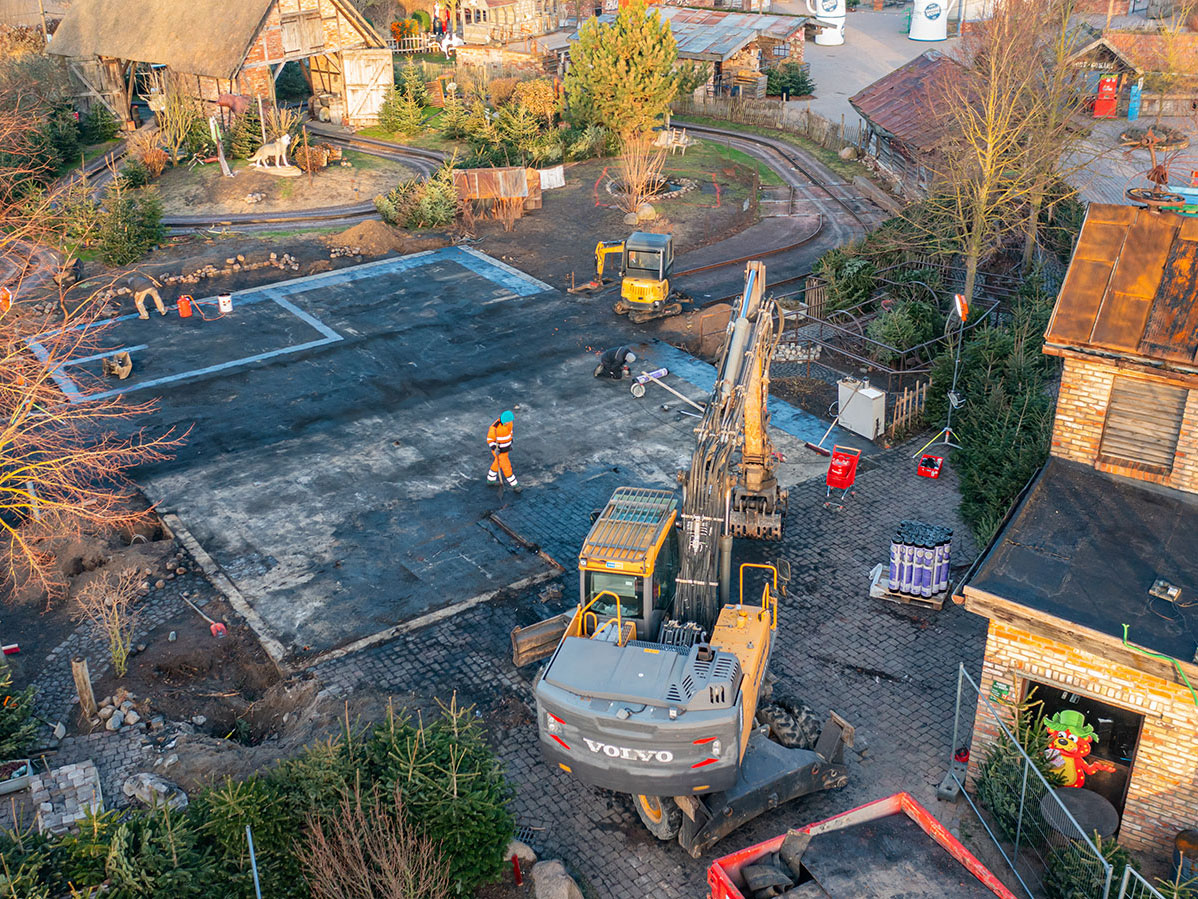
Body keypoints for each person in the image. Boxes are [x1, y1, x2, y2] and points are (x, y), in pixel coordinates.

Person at [486, 409, 522, 493]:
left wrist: (510, 442)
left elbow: (510, 433)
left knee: (496, 463)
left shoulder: (509, 423)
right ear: (503, 420)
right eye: (507, 422)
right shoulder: (494, 428)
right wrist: (494, 448)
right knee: (506, 467)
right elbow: (490, 439)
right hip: (498, 451)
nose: (508, 423)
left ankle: (490, 480)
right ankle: (515, 485)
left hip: (506, 449)